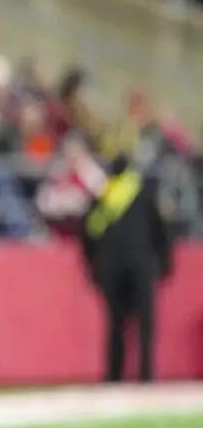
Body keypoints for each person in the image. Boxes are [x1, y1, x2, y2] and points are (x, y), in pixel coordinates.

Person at [81, 152, 172, 382]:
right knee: (145, 323)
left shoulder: (104, 195)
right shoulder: (145, 192)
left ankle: (114, 375)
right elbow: (161, 231)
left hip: (111, 267)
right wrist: (165, 263)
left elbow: (87, 232)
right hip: (142, 265)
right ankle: (146, 374)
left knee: (115, 323)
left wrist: (92, 265)